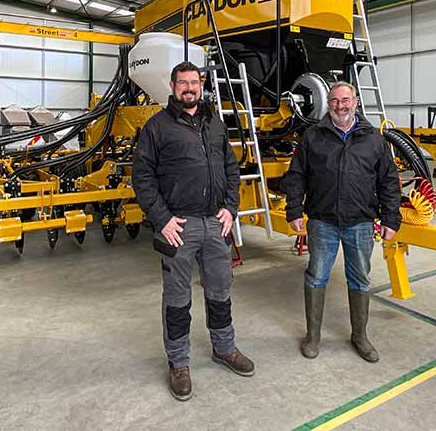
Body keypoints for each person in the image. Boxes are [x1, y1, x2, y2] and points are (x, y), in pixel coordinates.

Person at [132, 61, 254, 401]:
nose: (189, 88)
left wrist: (231, 208)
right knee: (176, 298)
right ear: (172, 86)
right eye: (183, 83)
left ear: (201, 85)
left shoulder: (214, 123)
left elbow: (231, 167)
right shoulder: (157, 127)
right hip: (179, 227)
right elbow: (142, 178)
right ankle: (179, 363)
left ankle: (224, 348)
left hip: (215, 225)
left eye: (194, 82)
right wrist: (162, 219)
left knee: (220, 289)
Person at [281, 82, 402, 362]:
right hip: (322, 220)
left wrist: (391, 218)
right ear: (329, 104)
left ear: (356, 102)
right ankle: (313, 336)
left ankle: (359, 335)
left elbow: (388, 182)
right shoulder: (313, 137)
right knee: (316, 275)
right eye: (335, 101)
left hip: (359, 221)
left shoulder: (373, 139)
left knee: (359, 277)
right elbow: (296, 176)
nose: (340, 106)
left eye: (345, 100)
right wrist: (294, 210)